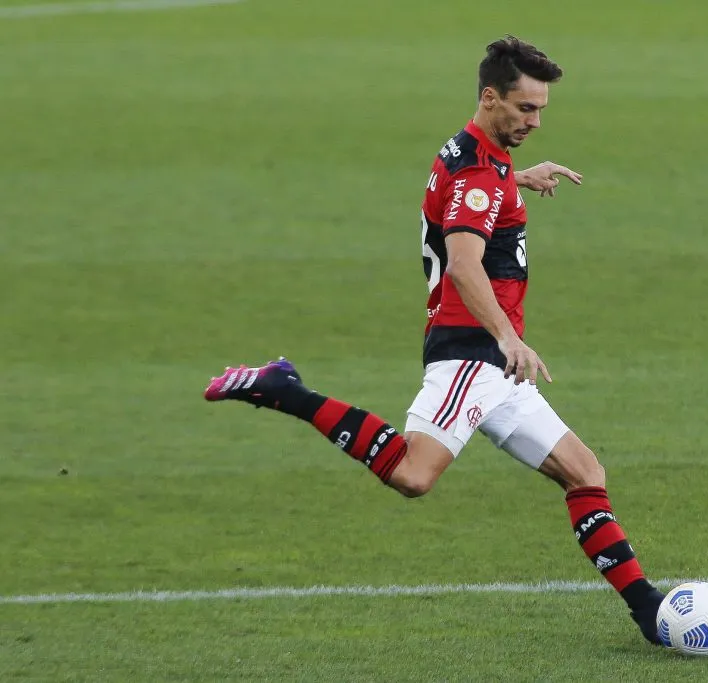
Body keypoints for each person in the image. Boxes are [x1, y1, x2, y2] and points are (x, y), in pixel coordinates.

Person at [204, 35, 666, 645]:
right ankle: (284, 390)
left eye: (542, 110)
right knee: (414, 475)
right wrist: (507, 336)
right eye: (526, 108)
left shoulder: (474, 152)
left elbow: (467, 195)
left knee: (584, 474)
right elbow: (463, 263)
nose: (536, 120)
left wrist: (516, 180)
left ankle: (651, 615)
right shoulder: (480, 172)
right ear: (490, 97)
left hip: (494, 361)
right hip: (473, 354)